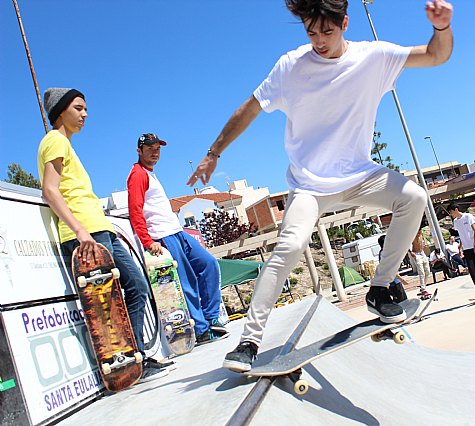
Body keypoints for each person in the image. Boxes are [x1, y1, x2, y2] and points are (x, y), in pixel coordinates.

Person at [187, 0, 453, 372]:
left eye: (327, 32)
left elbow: (435, 56)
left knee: (414, 197)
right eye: (311, 32)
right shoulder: (291, 66)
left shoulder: (373, 57)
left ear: (345, 23)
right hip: (309, 185)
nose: (319, 41)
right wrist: (214, 153)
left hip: (361, 175)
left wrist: (441, 28)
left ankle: (380, 287)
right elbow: (248, 108)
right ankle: (249, 340)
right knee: (291, 244)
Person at [37, 88, 169, 381]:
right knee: (107, 303)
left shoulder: (67, 145)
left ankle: (137, 359)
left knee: (137, 286)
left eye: (85, 109)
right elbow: (50, 189)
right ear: (61, 111)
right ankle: (128, 364)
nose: (85, 114)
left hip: (102, 229)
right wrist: (80, 231)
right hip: (87, 234)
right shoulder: (54, 140)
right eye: (79, 108)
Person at [126, 133, 228, 345]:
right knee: (186, 281)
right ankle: (200, 330)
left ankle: (211, 318)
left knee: (209, 264)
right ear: (139, 150)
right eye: (149, 148)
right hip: (162, 235)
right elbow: (135, 211)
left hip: (177, 231)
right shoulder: (137, 174)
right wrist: (147, 241)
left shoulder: (150, 174)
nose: (155, 152)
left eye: (158, 148)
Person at [377, 235, 408, 302]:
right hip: (394, 282)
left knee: (398, 300)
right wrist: (402, 279)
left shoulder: (382, 253)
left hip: (390, 281)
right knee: (402, 301)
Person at [409, 230, 431, 298]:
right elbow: (406, 244)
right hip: (417, 254)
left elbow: (424, 241)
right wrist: (410, 252)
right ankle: (423, 288)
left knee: (427, 271)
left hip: (422, 253)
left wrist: (425, 244)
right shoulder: (412, 236)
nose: (418, 233)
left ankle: (423, 286)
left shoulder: (421, 235)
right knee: (421, 272)